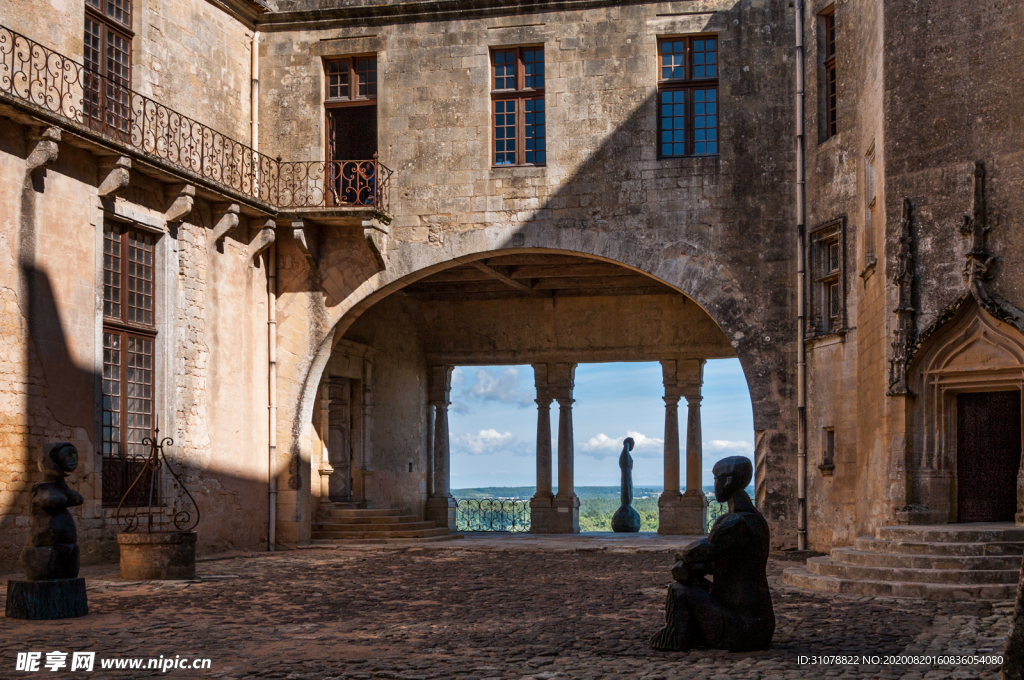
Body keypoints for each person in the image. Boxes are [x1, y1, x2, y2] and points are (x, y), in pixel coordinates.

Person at [649, 455, 775, 652]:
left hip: (744, 629)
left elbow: (701, 551)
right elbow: (715, 561)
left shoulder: (735, 523)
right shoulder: (755, 520)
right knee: (694, 582)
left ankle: (675, 638)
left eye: (716, 479)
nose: (715, 485)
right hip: (761, 626)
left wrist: (681, 556)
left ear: (728, 481)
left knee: (678, 590)